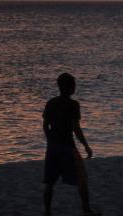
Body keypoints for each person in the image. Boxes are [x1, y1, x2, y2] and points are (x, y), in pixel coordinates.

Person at [42, 72, 100, 216]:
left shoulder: (51, 103)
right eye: (74, 85)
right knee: (82, 177)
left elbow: (45, 125)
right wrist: (86, 145)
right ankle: (86, 209)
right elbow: (75, 127)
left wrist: (50, 139)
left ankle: (47, 211)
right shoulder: (73, 104)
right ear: (70, 87)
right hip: (68, 146)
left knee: (49, 182)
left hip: (53, 148)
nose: (75, 87)